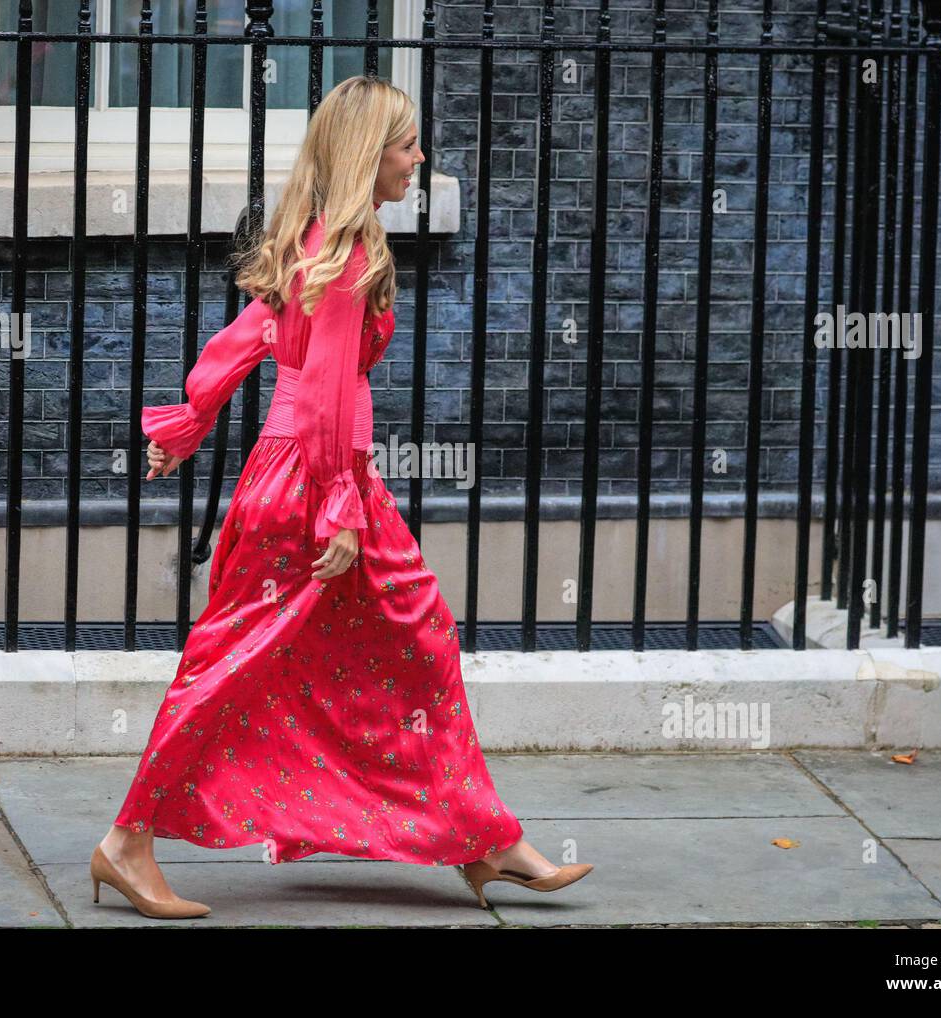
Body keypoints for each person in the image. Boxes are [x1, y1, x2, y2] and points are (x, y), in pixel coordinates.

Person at [89, 75, 593, 919]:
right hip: (315, 481)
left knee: (398, 642)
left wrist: (190, 418)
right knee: (240, 661)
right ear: (369, 155)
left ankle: (480, 839)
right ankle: (126, 843)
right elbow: (322, 392)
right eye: (406, 144)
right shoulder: (349, 255)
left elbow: (247, 335)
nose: (419, 158)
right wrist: (338, 509)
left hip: (305, 475)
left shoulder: (321, 240)